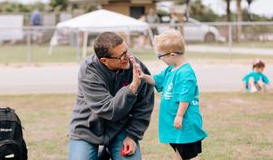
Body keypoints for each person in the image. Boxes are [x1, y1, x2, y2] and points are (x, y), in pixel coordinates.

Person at [69, 32, 155, 160]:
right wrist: (131, 88)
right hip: (87, 127)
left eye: (127, 50)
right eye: (121, 55)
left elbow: (144, 105)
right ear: (104, 60)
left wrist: (132, 135)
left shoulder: (136, 66)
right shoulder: (89, 71)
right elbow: (109, 110)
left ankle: (111, 151)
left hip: (120, 128)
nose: (127, 57)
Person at [137, 30, 207, 160]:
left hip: (186, 125)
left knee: (190, 156)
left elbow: (185, 97)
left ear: (172, 55)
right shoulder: (170, 69)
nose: (160, 59)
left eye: (160, 56)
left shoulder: (185, 73)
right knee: (179, 153)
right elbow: (156, 80)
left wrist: (179, 116)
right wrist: (143, 76)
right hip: (174, 124)